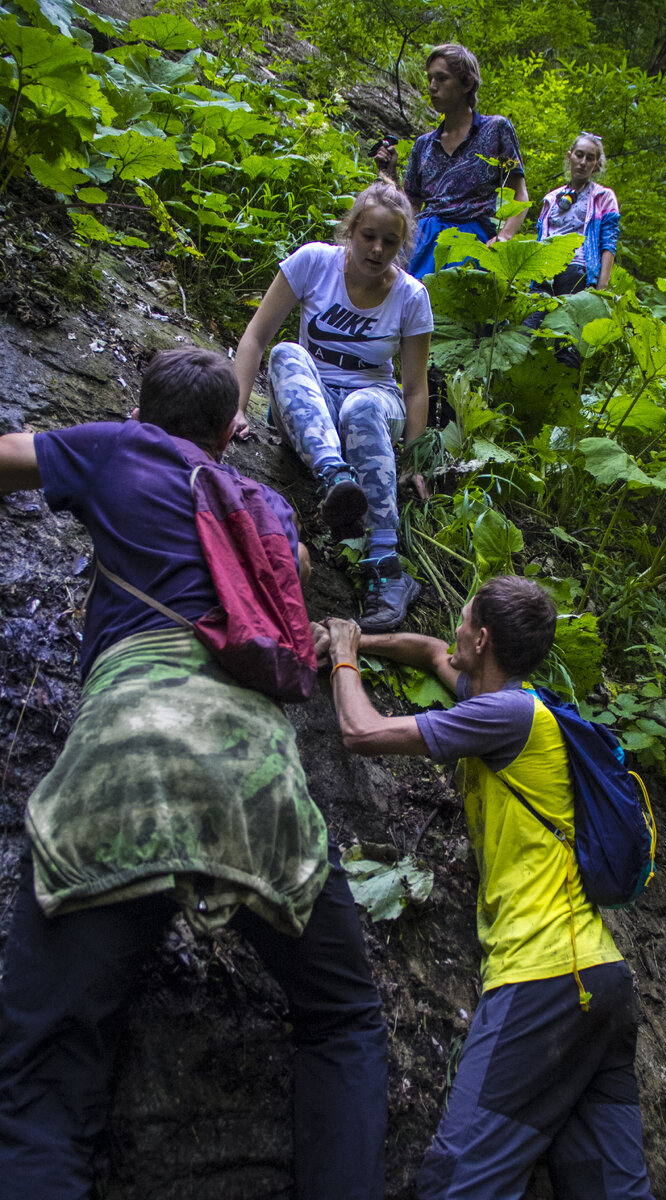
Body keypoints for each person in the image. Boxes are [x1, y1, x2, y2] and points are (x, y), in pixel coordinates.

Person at [0, 347, 387, 1200]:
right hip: (256, 779)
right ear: (228, 429)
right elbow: (294, 578)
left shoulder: (117, 448)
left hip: (124, 760)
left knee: (43, 1087)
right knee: (343, 1019)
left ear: (143, 412)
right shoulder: (268, 506)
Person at [322, 575, 655, 1200]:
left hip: (545, 979)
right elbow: (427, 652)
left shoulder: (506, 715)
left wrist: (342, 651)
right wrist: (366, 639)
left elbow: (359, 733)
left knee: (459, 1182)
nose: (453, 629)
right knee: (607, 1188)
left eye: (463, 620)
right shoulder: (513, 701)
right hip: (599, 982)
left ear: (482, 637)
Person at [234, 181, 433, 633]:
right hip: (311, 403)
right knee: (286, 353)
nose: (378, 249)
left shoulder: (411, 296)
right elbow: (256, 338)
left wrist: (414, 460)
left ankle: (386, 569)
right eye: (369, 236)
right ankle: (337, 482)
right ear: (351, 229)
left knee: (362, 404)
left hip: (370, 405)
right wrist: (237, 407)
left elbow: (416, 389)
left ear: (402, 246)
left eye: (390, 241)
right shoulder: (313, 263)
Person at [377, 44, 529, 279]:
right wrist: (390, 172)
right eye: (430, 78)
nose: (431, 87)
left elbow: (519, 193)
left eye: (442, 78)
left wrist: (505, 236)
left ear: (466, 84)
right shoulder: (423, 145)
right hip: (424, 240)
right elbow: (410, 208)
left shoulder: (495, 129)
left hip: (473, 237)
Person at [527, 132, 620, 367]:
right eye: (579, 155)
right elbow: (541, 238)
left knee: (567, 341)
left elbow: (609, 242)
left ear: (596, 165)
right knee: (527, 333)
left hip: (577, 271)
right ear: (569, 156)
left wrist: (601, 287)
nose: (583, 162)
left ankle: (566, 395)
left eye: (590, 158)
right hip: (544, 272)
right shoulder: (551, 198)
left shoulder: (603, 197)